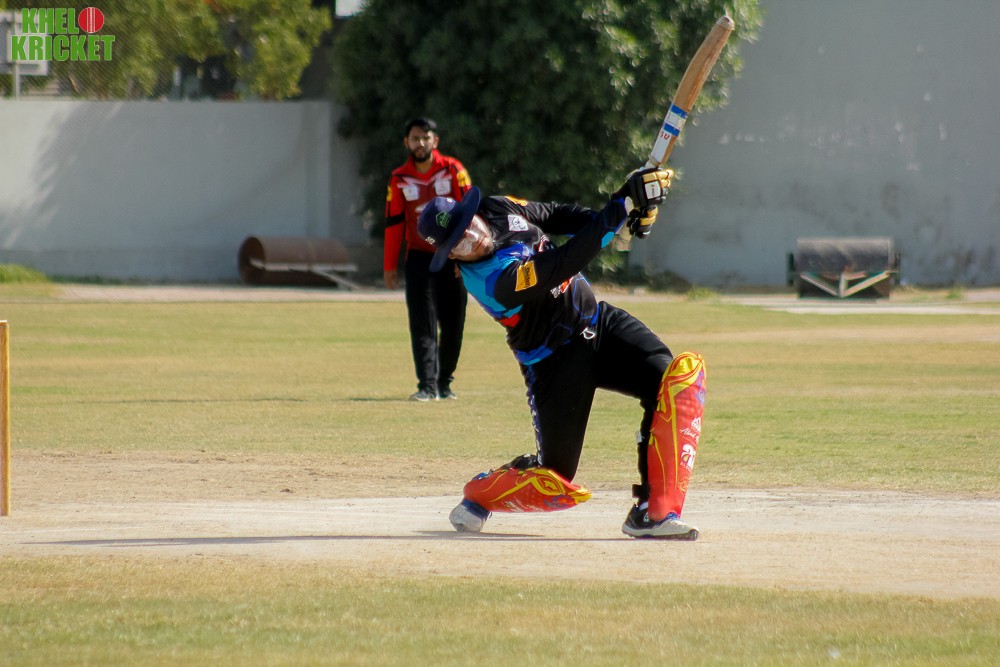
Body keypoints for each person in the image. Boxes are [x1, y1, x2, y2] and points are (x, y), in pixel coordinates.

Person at [416, 167, 708, 539]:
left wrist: (625, 213)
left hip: (598, 324)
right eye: (458, 243)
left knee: (672, 384)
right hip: (554, 363)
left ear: (471, 212)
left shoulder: (498, 207)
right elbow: (563, 263)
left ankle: (653, 511)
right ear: (451, 256)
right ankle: (480, 494)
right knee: (553, 479)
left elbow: (555, 215)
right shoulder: (493, 281)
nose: (471, 238)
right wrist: (620, 207)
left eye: (467, 226)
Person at [384, 117, 472, 401]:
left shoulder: (454, 170)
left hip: (453, 257)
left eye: (425, 137)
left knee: (453, 321)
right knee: (422, 321)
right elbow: (394, 223)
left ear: (436, 141)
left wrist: (465, 257)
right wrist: (389, 266)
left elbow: (470, 215)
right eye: (415, 138)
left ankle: (445, 382)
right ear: (406, 142)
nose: (420, 143)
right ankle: (427, 385)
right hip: (419, 258)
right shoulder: (399, 178)